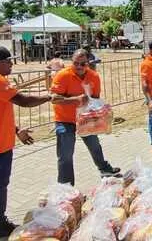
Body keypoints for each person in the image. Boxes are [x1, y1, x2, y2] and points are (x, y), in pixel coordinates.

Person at [0, 46, 59, 241]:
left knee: (1, 187)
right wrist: (49, 96)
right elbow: (23, 101)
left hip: (1, 145)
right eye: (9, 61)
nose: (12, 64)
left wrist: (16, 130)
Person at [50, 49, 121, 184]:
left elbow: (95, 98)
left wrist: (101, 112)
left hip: (85, 119)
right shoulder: (62, 75)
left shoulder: (94, 76)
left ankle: (104, 169)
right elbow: (54, 99)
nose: (79, 67)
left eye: (83, 64)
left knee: (95, 145)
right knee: (65, 155)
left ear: (88, 63)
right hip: (65, 120)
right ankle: (66, 186)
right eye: (75, 63)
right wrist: (76, 100)